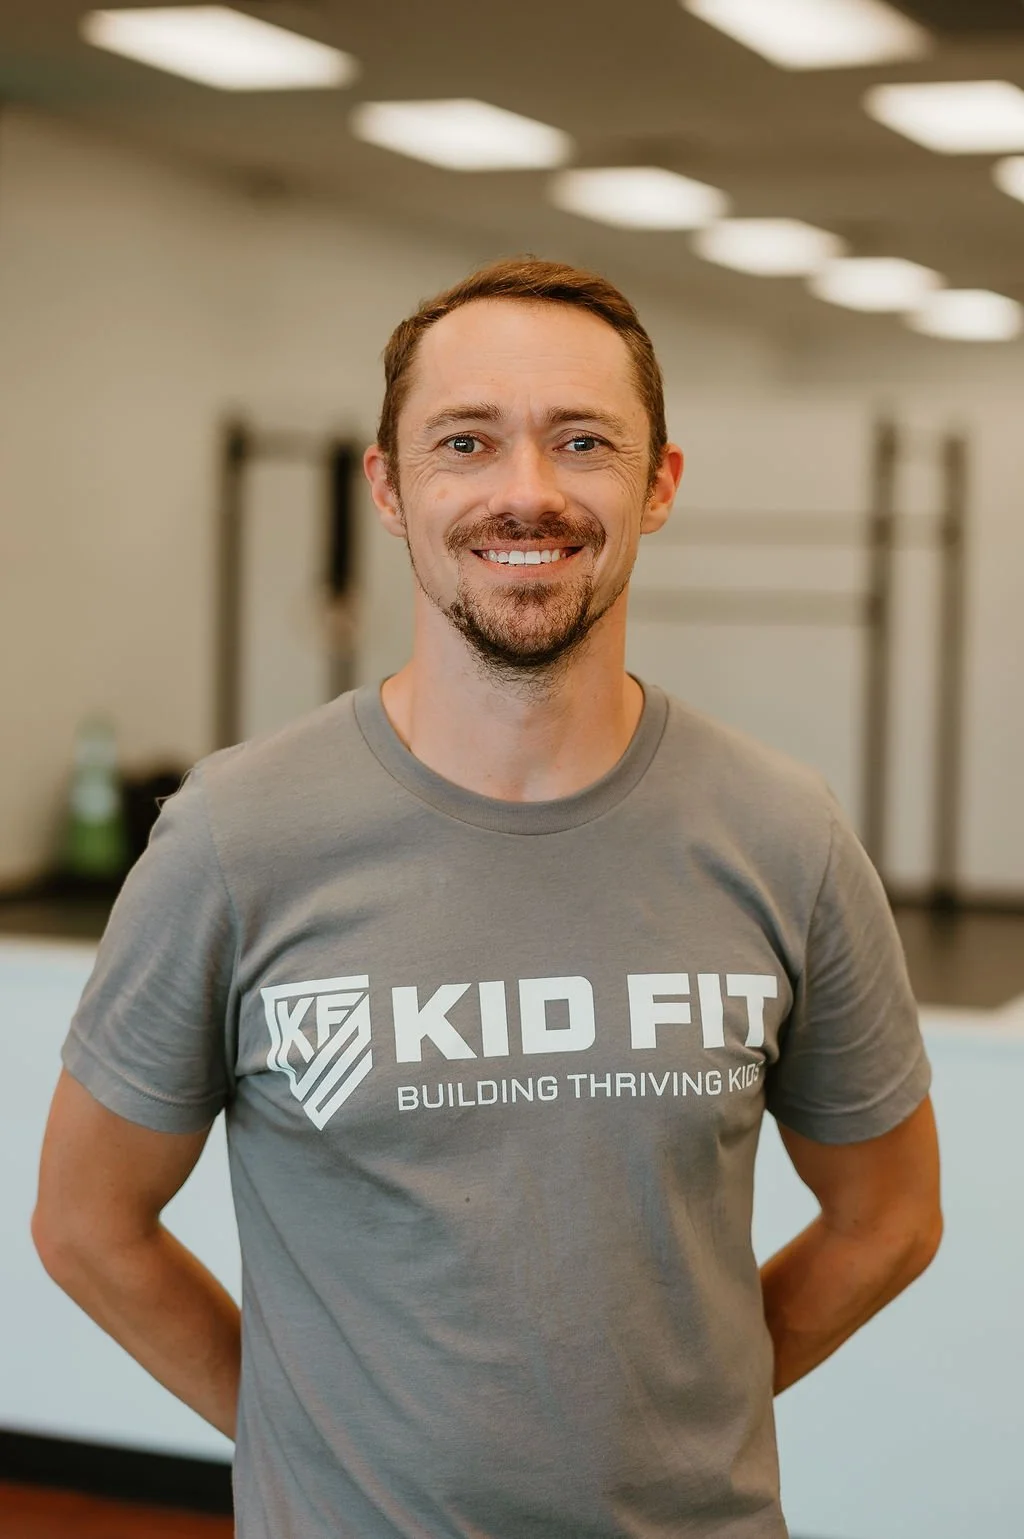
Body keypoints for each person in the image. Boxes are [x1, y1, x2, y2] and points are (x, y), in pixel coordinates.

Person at [33, 258, 941, 1539]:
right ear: (391, 489)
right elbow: (85, 1225)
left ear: (659, 484)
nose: (529, 490)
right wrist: (311, 1438)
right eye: (467, 442)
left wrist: (689, 1418)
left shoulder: (781, 831)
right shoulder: (235, 840)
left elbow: (890, 1217)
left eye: (584, 441)